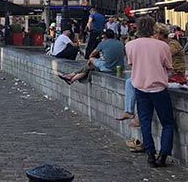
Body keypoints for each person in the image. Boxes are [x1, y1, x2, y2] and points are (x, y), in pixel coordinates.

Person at [125, 16, 175, 168]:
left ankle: (150, 154)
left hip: (140, 88)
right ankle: (163, 155)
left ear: (137, 29)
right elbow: (168, 66)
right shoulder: (162, 46)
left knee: (145, 122)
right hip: (159, 88)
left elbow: (132, 63)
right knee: (167, 123)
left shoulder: (130, 45)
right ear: (153, 28)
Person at [58, 30, 124, 84]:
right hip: (119, 67)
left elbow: (92, 54)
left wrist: (92, 59)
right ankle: (72, 78)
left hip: (107, 68)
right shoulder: (120, 43)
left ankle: (71, 76)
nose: (102, 39)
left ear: (105, 37)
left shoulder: (103, 43)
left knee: (91, 61)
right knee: (89, 67)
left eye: (102, 38)